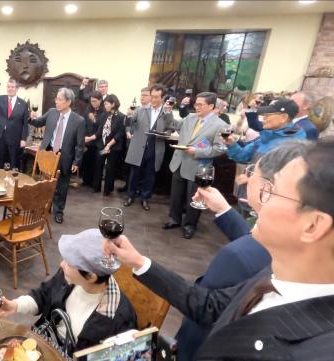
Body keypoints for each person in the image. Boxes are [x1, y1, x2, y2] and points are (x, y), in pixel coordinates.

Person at [103, 138, 334, 360]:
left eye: (271, 192)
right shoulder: (275, 277)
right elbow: (209, 306)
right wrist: (138, 261)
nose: (259, 203)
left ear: (313, 226)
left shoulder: (313, 350)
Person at [174, 141, 309, 360]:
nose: (246, 178)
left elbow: (204, 310)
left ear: (269, 187)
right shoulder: (294, 235)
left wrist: (140, 264)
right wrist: (224, 210)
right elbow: (254, 238)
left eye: (251, 172)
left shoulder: (237, 256)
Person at [0, 229, 136, 354]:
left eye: (69, 263)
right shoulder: (69, 278)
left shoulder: (119, 319)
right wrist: (15, 306)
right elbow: (43, 295)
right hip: (43, 345)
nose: (62, 264)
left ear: (91, 276)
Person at [164, 92, 226, 239]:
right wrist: (167, 111)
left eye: (200, 105)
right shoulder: (190, 118)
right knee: (176, 195)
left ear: (211, 106)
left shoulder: (221, 125)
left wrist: (198, 151)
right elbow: (172, 124)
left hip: (198, 167)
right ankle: (174, 219)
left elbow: (220, 148)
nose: (196, 107)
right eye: (196, 104)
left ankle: (189, 225)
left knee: (194, 198)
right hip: (179, 162)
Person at [29, 88, 86, 224]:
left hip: (64, 156)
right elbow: (38, 122)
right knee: (44, 183)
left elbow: (79, 144)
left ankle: (58, 211)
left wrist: (76, 162)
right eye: (57, 99)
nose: (56, 101)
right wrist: (31, 117)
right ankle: (43, 207)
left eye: (59, 99)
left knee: (62, 186)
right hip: (48, 153)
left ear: (68, 102)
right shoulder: (51, 112)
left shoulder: (78, 120)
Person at [124, 84, 176, 211]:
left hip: (155, 146)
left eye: (156, 97)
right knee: (134, 173)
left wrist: (166, 134)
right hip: (138, 145)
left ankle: (145, 198)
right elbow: (131, 123)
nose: (153, 100)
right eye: (152, 96)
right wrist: (129, 126)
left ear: (163, 98)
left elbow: (170, 128)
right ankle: (130, 196)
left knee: (150, 175)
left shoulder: (166, 112)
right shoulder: (141, 109)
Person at [224, 98, 306, 164]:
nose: (263, 118)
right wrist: (231, 144)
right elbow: (243, 155)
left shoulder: (293, 146)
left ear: (283, 118)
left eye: (268, 115)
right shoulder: (268, 135)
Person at [0, 79, 30, 169]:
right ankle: (1, 181)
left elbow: (25, 123)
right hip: (1, 136)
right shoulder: (0, 99)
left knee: (14, 163)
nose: (10, 89)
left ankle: (14, 181)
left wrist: (23, 139)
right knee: (1, 162)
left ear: (17, 89)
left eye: (12, 87)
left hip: (15, 138)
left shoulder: (23, 104)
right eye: (8, 87)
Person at [91, 94, 126, 195]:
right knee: (98, 165)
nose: (104, 106)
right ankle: (96, 187)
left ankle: (107, 190)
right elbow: (100, 131)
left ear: (113, 104)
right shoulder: (104, 115)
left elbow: (119, 134)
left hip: (113, 147)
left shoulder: (121, 117)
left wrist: (109, 145)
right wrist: (90, 137)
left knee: (110, 169)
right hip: (102, 145)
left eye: (106, 104)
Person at [82, 91, 106, 188]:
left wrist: (94, 120)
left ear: (100, 100)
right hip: (88, 140)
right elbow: (83, 122)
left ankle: (95, 184)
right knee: (87, 161)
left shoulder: (104, 111)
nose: (93, 103)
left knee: (97, 164)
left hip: (98, 141)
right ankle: (86, 180)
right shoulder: (88, 109)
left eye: (95, 101)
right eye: (91, 101)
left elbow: (102, 127)